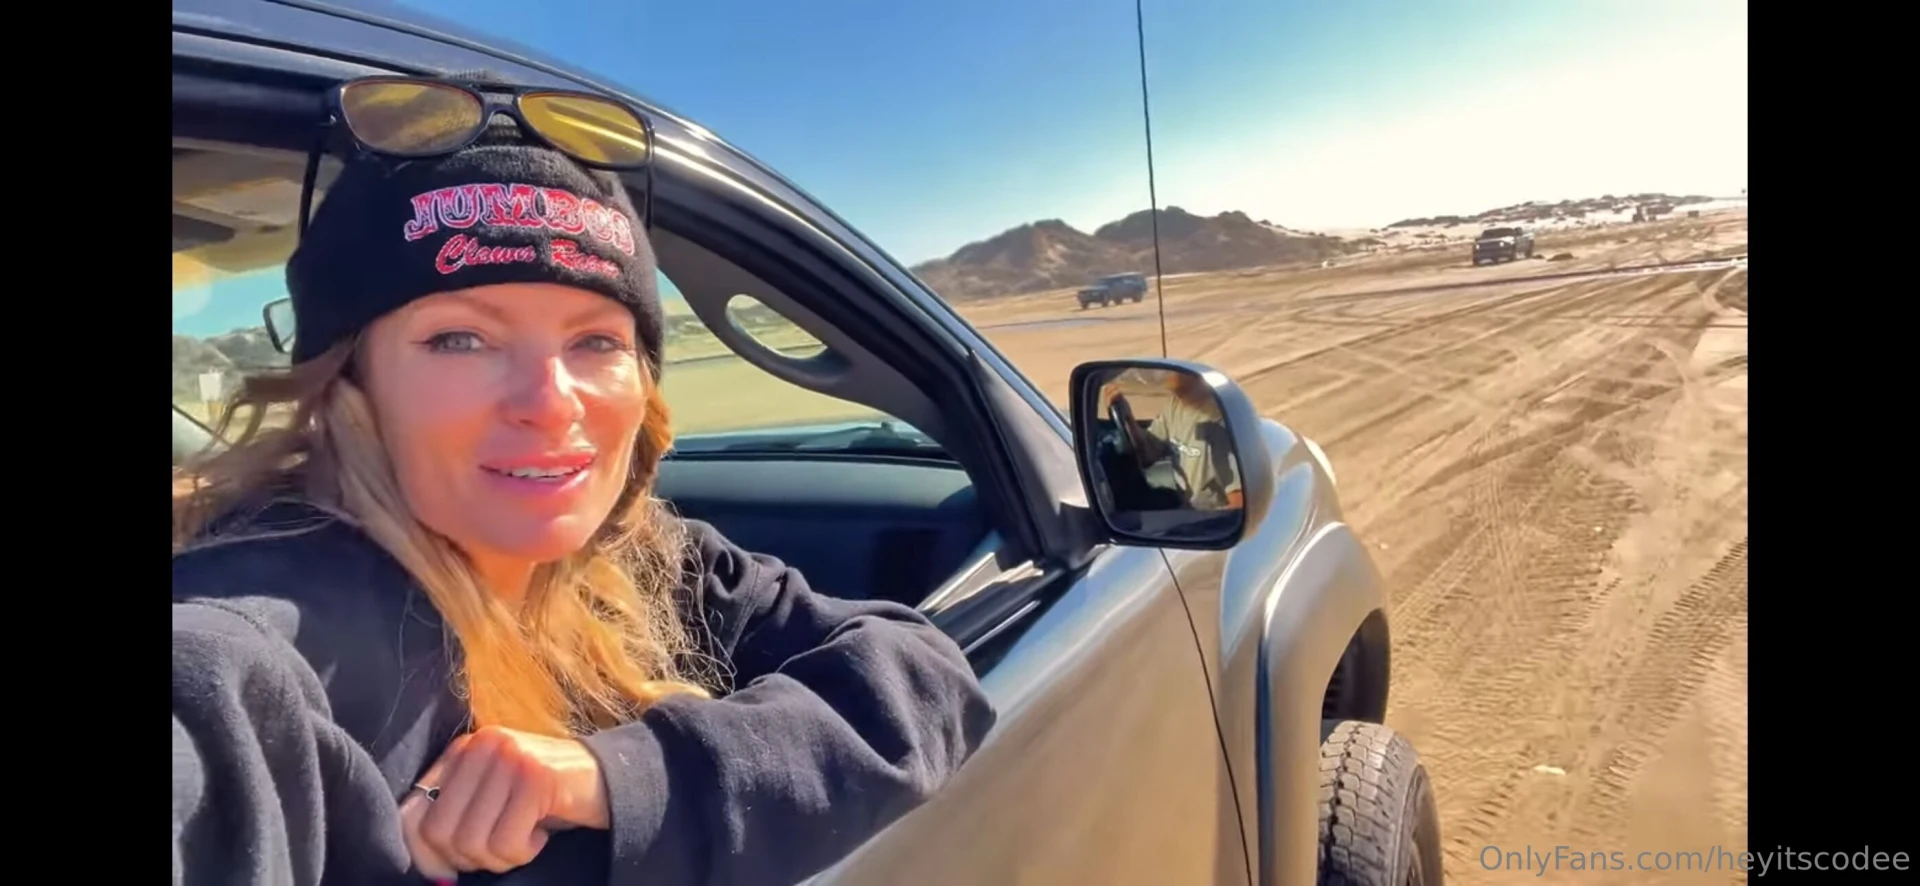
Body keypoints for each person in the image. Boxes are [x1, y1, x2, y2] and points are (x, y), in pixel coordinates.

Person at [172, 77, 995, 886]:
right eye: (460, 339)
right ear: (350, 386)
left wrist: (615, 778)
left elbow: (920, 672)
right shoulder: (251, 649)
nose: (548, 402)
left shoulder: (636, 561)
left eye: (596, 342)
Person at [1101, 371, 1243, 510]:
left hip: (1206, 520)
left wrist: (1201, 524)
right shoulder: (1175, 405)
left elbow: (1238, 503)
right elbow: (1147, 454)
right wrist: (1128, 418)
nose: (1164, 373)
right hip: (1185, 508)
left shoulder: (1218, 423)